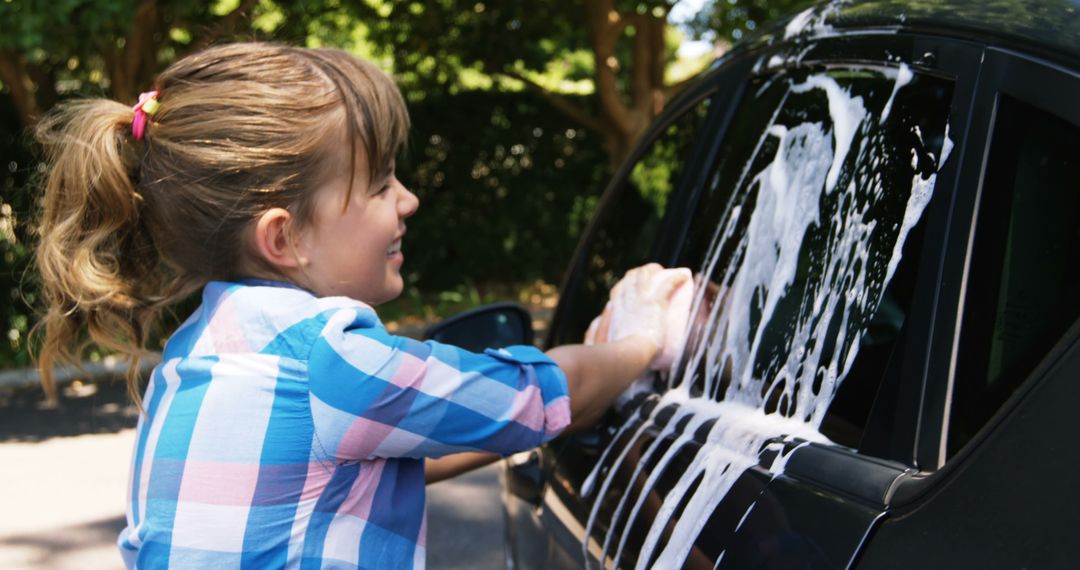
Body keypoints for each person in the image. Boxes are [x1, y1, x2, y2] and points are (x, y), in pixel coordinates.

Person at [32, 43, 687, 569]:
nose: (408, 201)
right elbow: (532, 395)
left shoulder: (195, 355)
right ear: (283, 238)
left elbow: (366, 464)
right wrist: (639, 340)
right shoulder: (331, 359)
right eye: (379, 184)